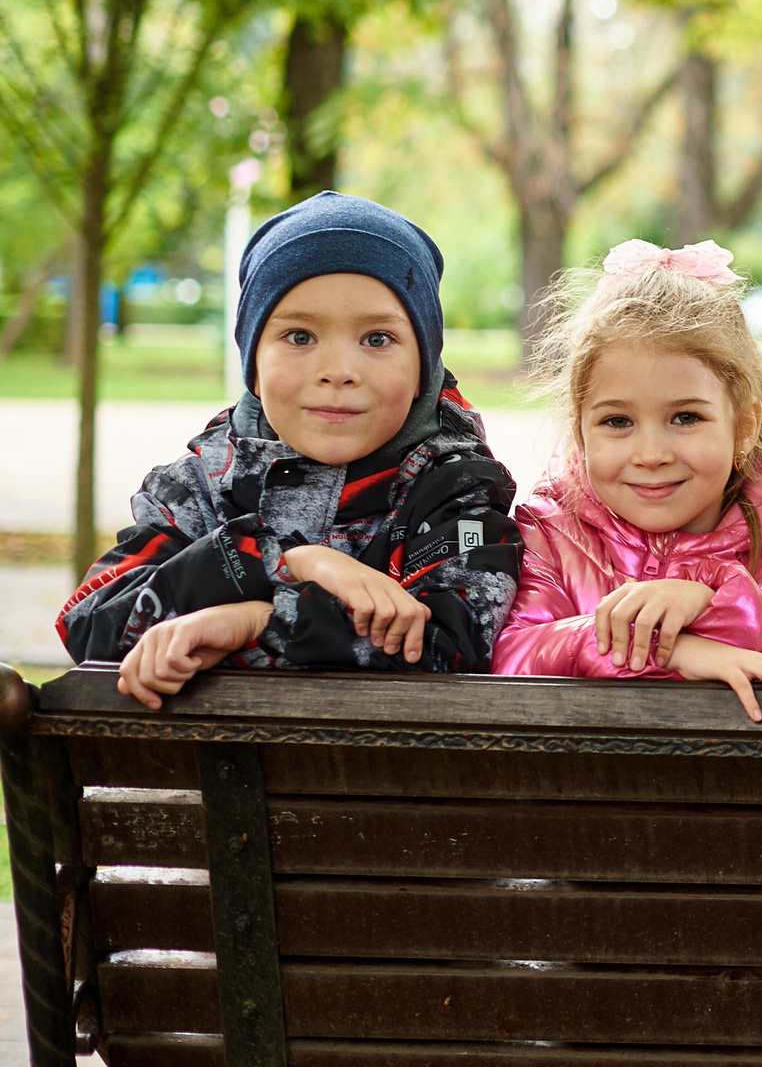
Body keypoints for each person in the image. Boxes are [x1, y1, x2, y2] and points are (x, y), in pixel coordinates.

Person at [60, 192, 523, 708]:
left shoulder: (456, 496)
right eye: (300, 336)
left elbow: (450, 650)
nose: (338, 370)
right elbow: (91, 622)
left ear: (424, 368)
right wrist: (285, 562)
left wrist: (256, 621)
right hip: (214, 785)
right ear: (253, 362)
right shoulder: (198, 488)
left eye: (376, 339)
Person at [493, 239, 762, 721]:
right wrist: (674, 651)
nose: (652, 455)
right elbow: (510, 655)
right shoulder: (551, 537)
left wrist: (714, 599)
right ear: (580, 431)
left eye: (685, 417)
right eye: (617, 421)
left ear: (743, 426)